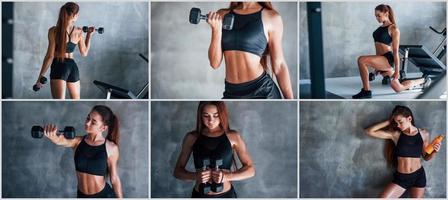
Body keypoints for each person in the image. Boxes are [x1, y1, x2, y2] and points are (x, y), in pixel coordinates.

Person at [207, 2, 293, 99]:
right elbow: (214, 63)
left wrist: (290, 100)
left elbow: (279, 65)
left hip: (262, 91)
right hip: (231, 92)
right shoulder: (222, 15)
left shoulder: (271, 17)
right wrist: (216, 30)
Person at [173, 101, 255, 198]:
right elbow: (177, 172)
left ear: (222, 115)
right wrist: (195, 176)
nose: (211, 120)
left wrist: (227, 176)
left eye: (215, 115)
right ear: (200, 116)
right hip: (200, 195)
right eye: (206, 115)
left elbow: (250, 170)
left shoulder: (233, 137)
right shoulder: (191, 137)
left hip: (226, 195)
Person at [353, 4, 431, 99]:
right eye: (375, 16)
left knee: (361, 60)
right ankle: (424, 80)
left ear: (386, 13)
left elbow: (395, 51)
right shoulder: (380, 28)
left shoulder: (394, 29)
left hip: (388, 59)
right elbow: (378, 50)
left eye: (379, 15)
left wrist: (397, 71)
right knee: (398, 88)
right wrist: (376, 68)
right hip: (381, 60)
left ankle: (366, 91)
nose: (377, 18)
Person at [44, 105, 123, 198]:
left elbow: (114, 178)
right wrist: (52, 136)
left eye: (93, 122)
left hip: (104, 195)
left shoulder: (111, 148)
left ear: (103, 128)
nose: (87, 123)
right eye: (88, 118)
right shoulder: (77, 142)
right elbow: (60, 140)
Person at [365, 105, 442, 197]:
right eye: (396, 122)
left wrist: (434, 152)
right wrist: (389, 121)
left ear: (409, 118)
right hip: (402, 178)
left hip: (418, 175)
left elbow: (426, 157)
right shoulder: (396, 135)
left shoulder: (424, 134)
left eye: (400, 122)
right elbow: (369, 131)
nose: (398, 125)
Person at [35, 2, 97, 99]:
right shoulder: (79, 31)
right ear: (74, 15)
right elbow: (84, 53)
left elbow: (50, 56)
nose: (78, 16)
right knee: (76, 101)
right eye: (77, 14)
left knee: (59, 103)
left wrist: (40, 76)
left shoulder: (53, 31)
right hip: (73, 67)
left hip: (59, 66)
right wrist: (89, 35)